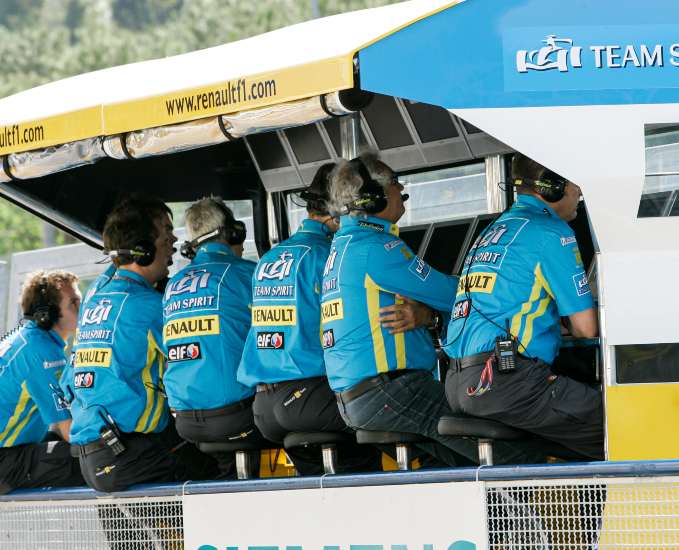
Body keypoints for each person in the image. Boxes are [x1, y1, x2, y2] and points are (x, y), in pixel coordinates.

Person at [321, 153, 482, 467]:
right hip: (389, 390)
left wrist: (428, 316)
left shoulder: (343, 246)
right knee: (503, 446)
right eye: (395, 181)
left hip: (360, 397)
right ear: (373, 197)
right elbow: (453, 294)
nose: (401, 187)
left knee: (456, 466)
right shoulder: (377, 248)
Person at [444, 153, 604, 460]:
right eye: (575, 183)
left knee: (562, 437)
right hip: (507, 383)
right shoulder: (551, 233)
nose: (580, 192)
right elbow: (586, 328)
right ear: (552, 187)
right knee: (622, 424)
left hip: (461, 382)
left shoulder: (492, 232)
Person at [238, 163, 382, 475]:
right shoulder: (331, 255)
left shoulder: (269, 258)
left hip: (265, 408)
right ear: (341, 206)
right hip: (312, 398)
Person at [69, 196, 216, 492]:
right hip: (134, 452)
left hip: (94, 455)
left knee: (135, 542)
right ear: (143, 250)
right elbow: (199, 361)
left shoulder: (96, 293)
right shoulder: (147, 306)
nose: (174, 240)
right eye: (166, 231)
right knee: (217, 464)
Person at [163, 197, 261, 476]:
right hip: (237, 416)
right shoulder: (247, 274)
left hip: (186, 423)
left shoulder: (173, 285)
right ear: (233, 232)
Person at [0, 270, 84, 494]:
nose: (82, 308)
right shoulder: (41, 351)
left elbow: (58, 425)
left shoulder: (27, 339)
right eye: (74, 303)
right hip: (5, 460)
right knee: (96, 459)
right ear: (45, 315)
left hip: (11, 452)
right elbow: (69, 431)